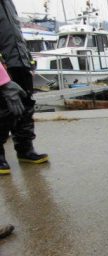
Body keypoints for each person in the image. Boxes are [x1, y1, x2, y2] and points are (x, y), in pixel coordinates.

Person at [0, 0, 48, 176]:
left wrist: (28, 61)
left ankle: (25, 150)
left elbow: (16, 34)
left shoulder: (9, 4)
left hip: (19, 63)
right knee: (4, 111)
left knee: (26, 107)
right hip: (3, 67)